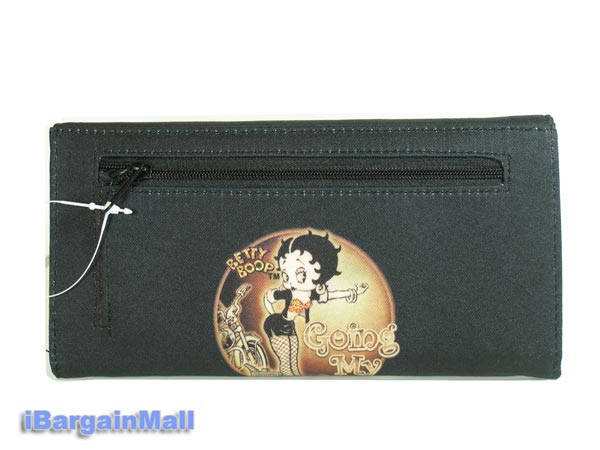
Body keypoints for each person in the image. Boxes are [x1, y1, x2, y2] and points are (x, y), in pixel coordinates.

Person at [263, 231, 368, 375]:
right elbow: (268, 298)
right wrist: (272, 315)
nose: (290, 281)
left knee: (294, 365)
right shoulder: (289, 293)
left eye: (301, 274)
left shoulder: (311, 294)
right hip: (275, 326)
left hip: (289, 327)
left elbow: (331, 295)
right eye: (285, 275)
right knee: (286, 366)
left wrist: (353, 292)